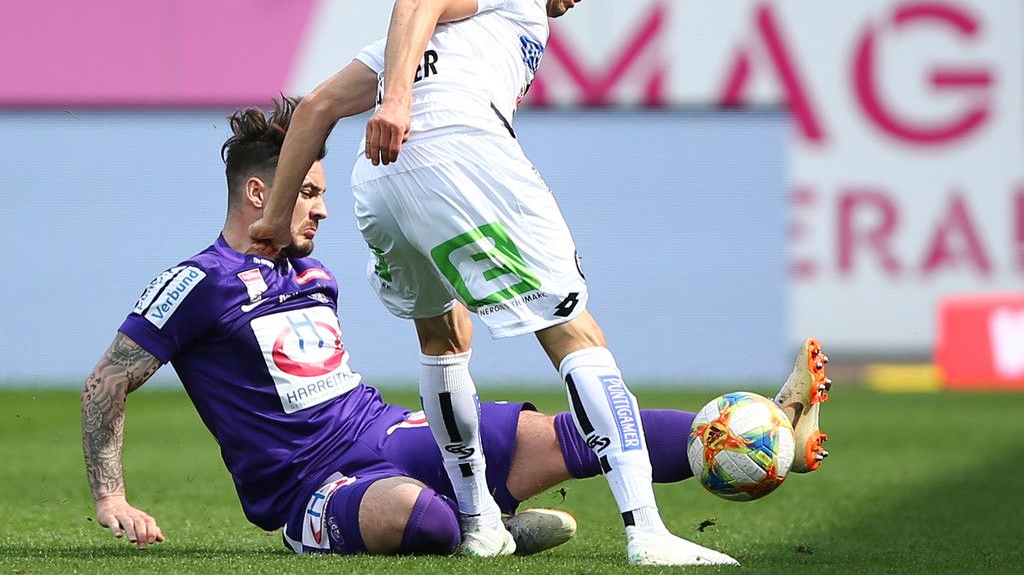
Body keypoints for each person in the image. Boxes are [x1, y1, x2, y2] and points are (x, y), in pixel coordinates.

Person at [248, 0, 831, 567]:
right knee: (575, 331)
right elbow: (414, 0)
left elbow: (316, 107)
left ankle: (480, 526)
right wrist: (397, 101)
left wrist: (273, 224)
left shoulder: (451, 35)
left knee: (444, 336)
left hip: (381, 182)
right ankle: (646, 531)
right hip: (458, 151)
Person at [81, 99, 831, 564]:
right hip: (310, 484)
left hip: (385, 429)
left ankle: (770, 434)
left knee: (572, 436)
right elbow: (106, 383)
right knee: (429, 524)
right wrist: (111, 497)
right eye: (307, 193)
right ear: (258, 192)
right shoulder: (199, 283)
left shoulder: (314, 274)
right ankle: (483, 520)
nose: (323, 208)